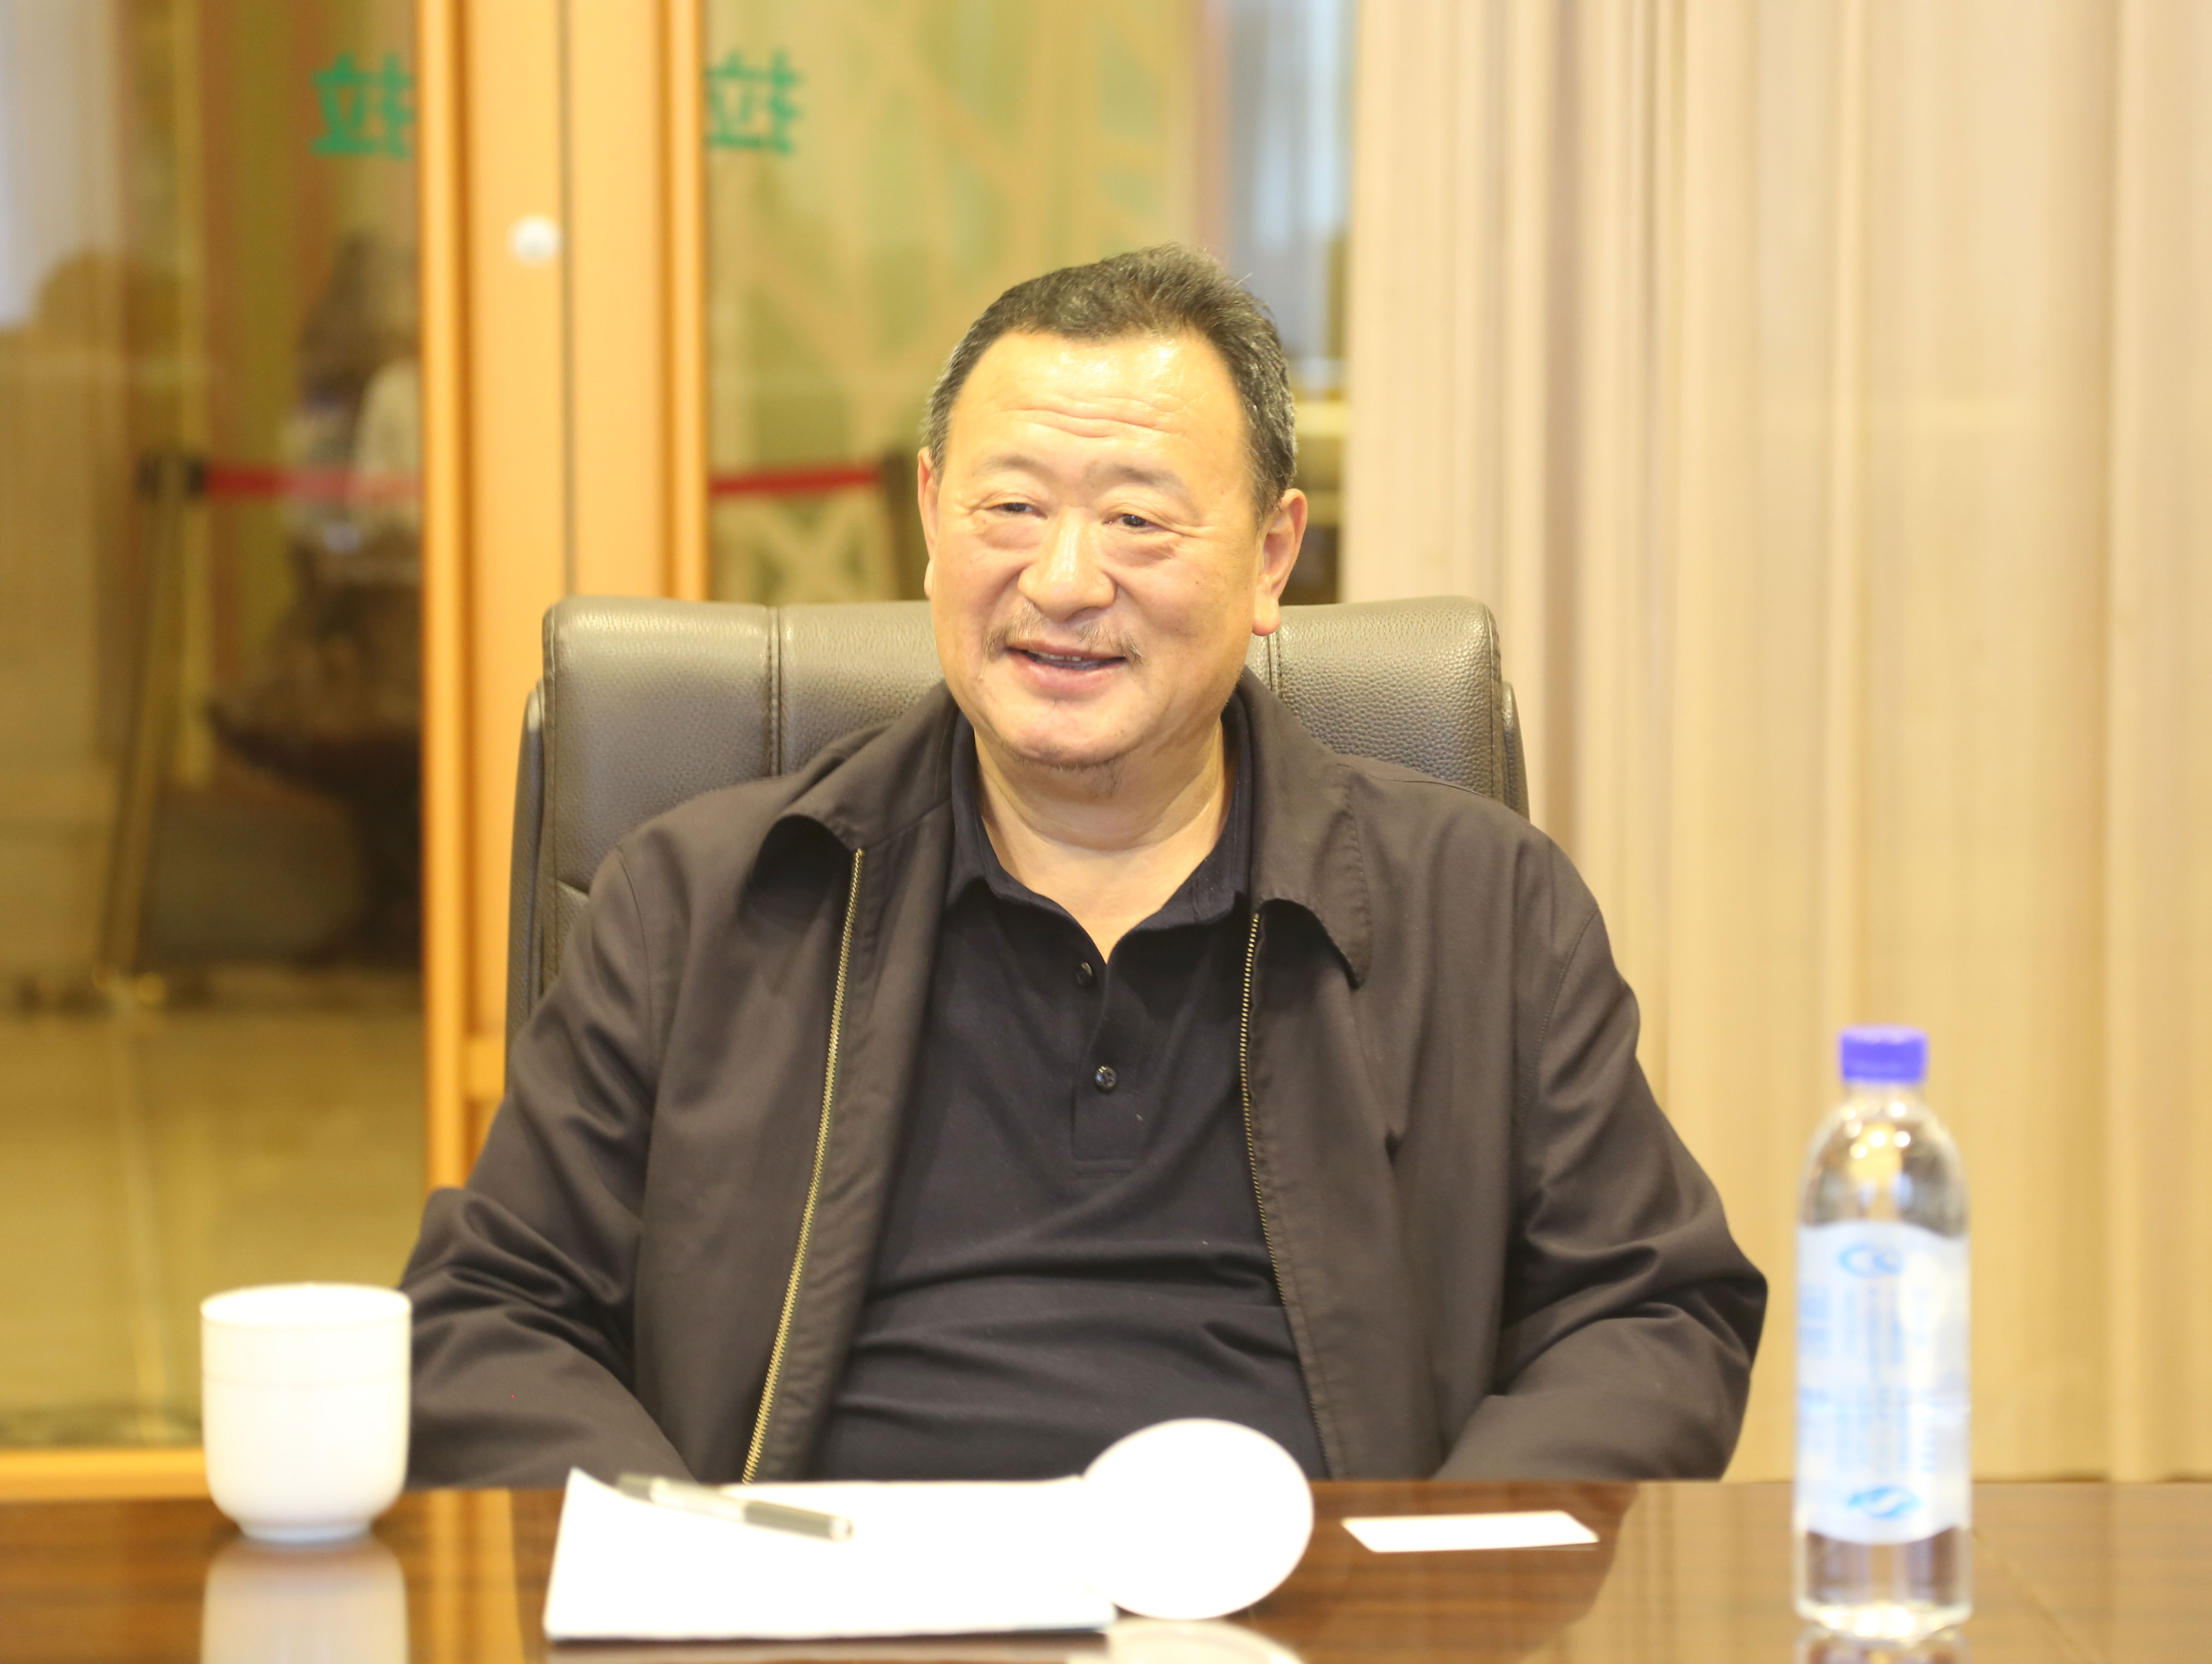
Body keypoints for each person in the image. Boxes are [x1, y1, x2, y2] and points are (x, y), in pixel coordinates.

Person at [401, 245, 1765, 1488]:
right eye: (1009, 506)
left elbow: (1650, 1312)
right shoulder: (703, 902)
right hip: (829, 1614)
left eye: (1137, 522)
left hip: (1313, 1617)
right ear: (930, 519)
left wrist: (1423, 1586)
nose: (1062, 580)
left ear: (1271, 559)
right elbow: (490, 1318)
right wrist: (698, 1572)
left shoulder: (1480, 905)